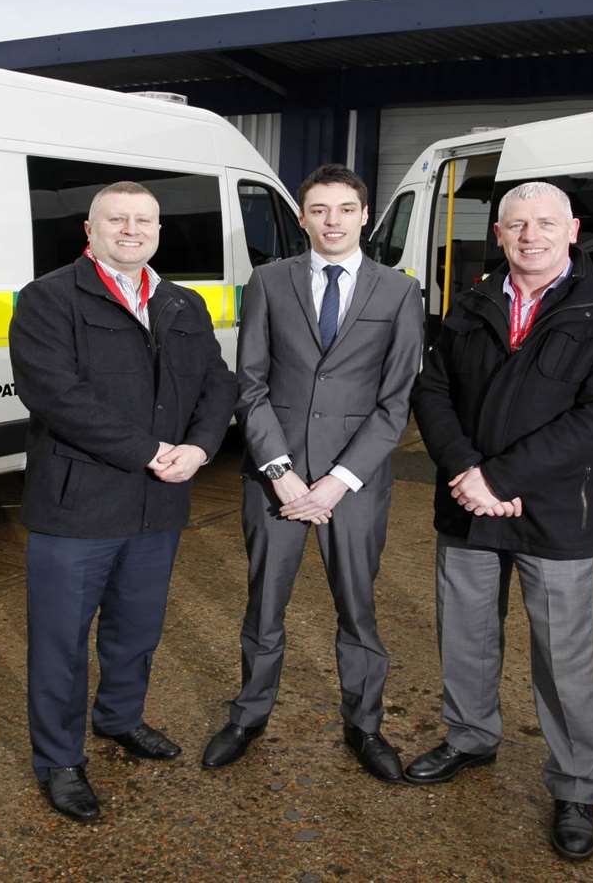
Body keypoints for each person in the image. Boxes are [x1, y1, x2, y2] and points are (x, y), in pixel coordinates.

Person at [407, 180, 593, 861]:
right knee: (466, 633)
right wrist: (465, 470)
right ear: (499, 235)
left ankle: (575, 786)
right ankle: (468, 737)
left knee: (564, 657)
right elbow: (433, 390)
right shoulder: (471, 302)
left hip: (551, 509)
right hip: (467, 500)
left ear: (573, 230)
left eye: (545, 223)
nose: (531, 235)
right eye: (517, 224)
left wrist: (501, 478)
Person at [8, 180, 237, 823]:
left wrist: (199, 447)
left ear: (159, 232)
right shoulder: (49, 298)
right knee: (60, 641)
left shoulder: (182, 303)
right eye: (117, 219)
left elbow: (217, 383)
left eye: (144, 220)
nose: (131, 229)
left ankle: (120, 719)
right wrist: (149, 451)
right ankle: (58, 759)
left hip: (157, 504)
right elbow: (55, 396)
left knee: (136, 629)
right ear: (91, 228)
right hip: (77, 504)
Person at [201, 165, 424, 782]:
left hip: (352, 486)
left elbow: (395, 401)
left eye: (345, 209)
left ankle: (364, 724)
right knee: (264, 603)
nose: (333, 221)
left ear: (364, 216)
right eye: (320, 210)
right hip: (276, 481)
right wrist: (281, 472)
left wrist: (337, 480)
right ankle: (248, 716)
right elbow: (251, 385)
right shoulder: (269, 282)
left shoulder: (399, 292)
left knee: (358, 608)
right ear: (301, 217)